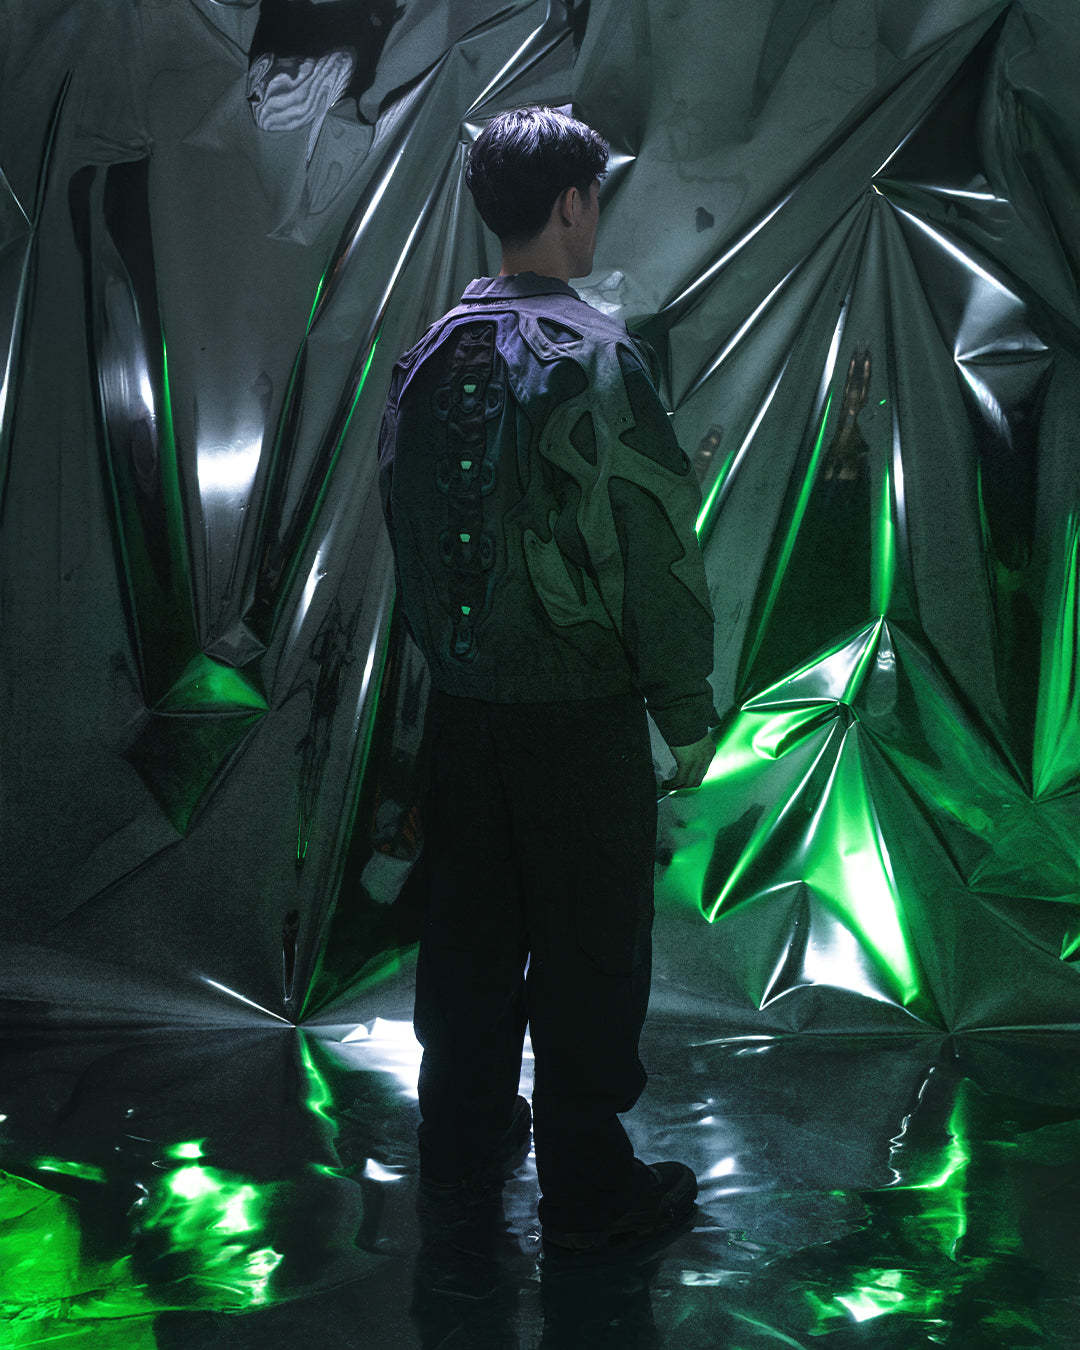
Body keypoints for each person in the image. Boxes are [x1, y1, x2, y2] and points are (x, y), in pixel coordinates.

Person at [377, 105, 718, 1252]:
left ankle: (463, 1137)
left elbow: (409, 532)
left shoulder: (428, 355)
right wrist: (685, 709)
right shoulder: (599, 357)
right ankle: (589, 1182)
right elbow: (652, 549)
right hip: (576, 719)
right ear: (574, 203)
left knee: (468, 934)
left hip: (465, 716)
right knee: (588, 945)